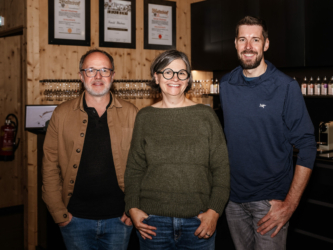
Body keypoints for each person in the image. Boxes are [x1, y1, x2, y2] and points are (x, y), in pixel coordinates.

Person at [220, 16, 316, 250]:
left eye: (255, 39)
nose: (248, 46)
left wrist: (290, 204)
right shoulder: (226, 84)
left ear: (266, 44)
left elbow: (307, 146)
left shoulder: (285, 87)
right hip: (232, 200)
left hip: (270, 202)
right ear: (235, 43)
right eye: (242, 39)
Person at [124, 50, 230, 250]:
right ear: (156, 76)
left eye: (181, 73)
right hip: (153, 224)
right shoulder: (144, 117)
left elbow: (222, 169)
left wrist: (214, 212)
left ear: (188, 79)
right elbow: (134, 168)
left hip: (199, 222)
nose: (175, 78)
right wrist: (132, 208)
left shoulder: (206, 116)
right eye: (168, 72)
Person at [42, 49, 138, 250]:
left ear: (113, 75)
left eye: (104, 70)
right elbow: (49, 167)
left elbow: (142, 166)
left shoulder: (132, 113)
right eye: (91, 70)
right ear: (81, 76)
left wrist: (132, 210)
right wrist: (58, 213)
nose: (98, 76)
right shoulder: (61, 114)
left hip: (120, 219)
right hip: (74, 218)